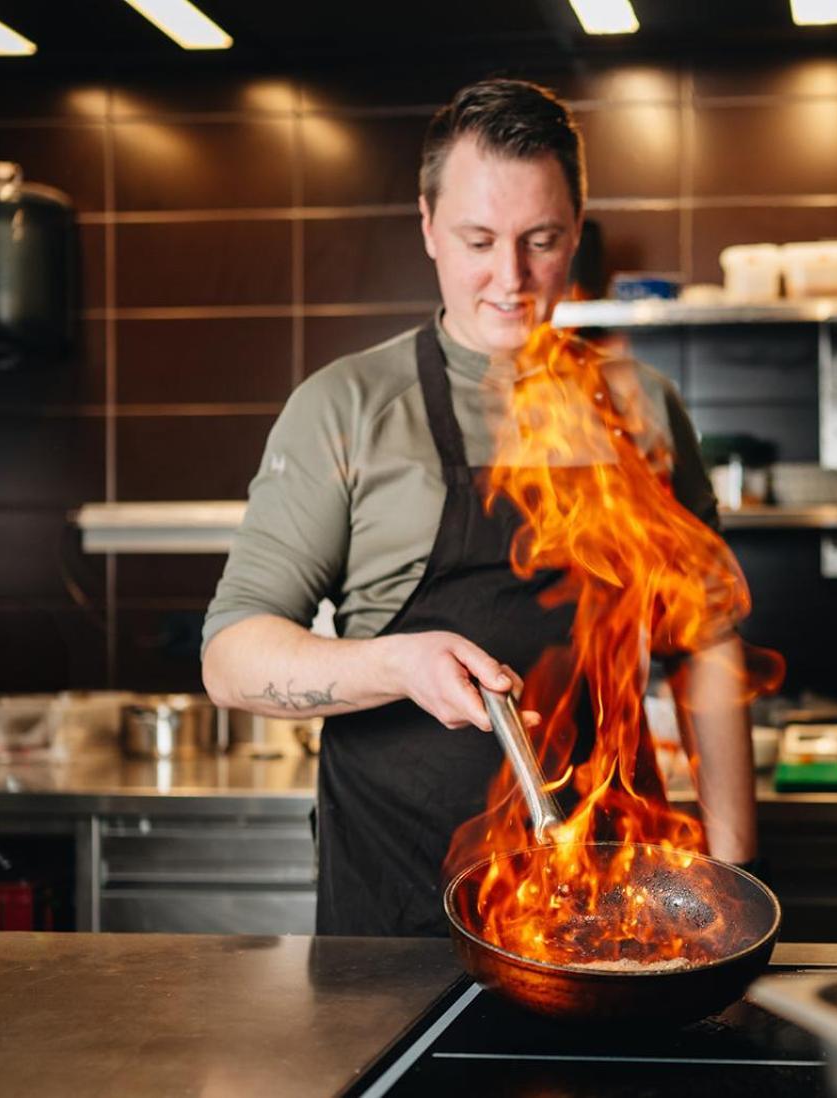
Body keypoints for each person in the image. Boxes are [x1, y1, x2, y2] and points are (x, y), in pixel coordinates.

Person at [202, 78, 756, 936]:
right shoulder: (347, 406)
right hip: (400, 907)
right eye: (478, 240)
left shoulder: (641, 406)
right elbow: (231, 659)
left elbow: (705, 643)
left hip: (614, 897)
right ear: (427, 226)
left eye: (541, 240)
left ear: (576, 228)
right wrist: (395, 664)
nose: (512, 277)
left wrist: (731, 869)